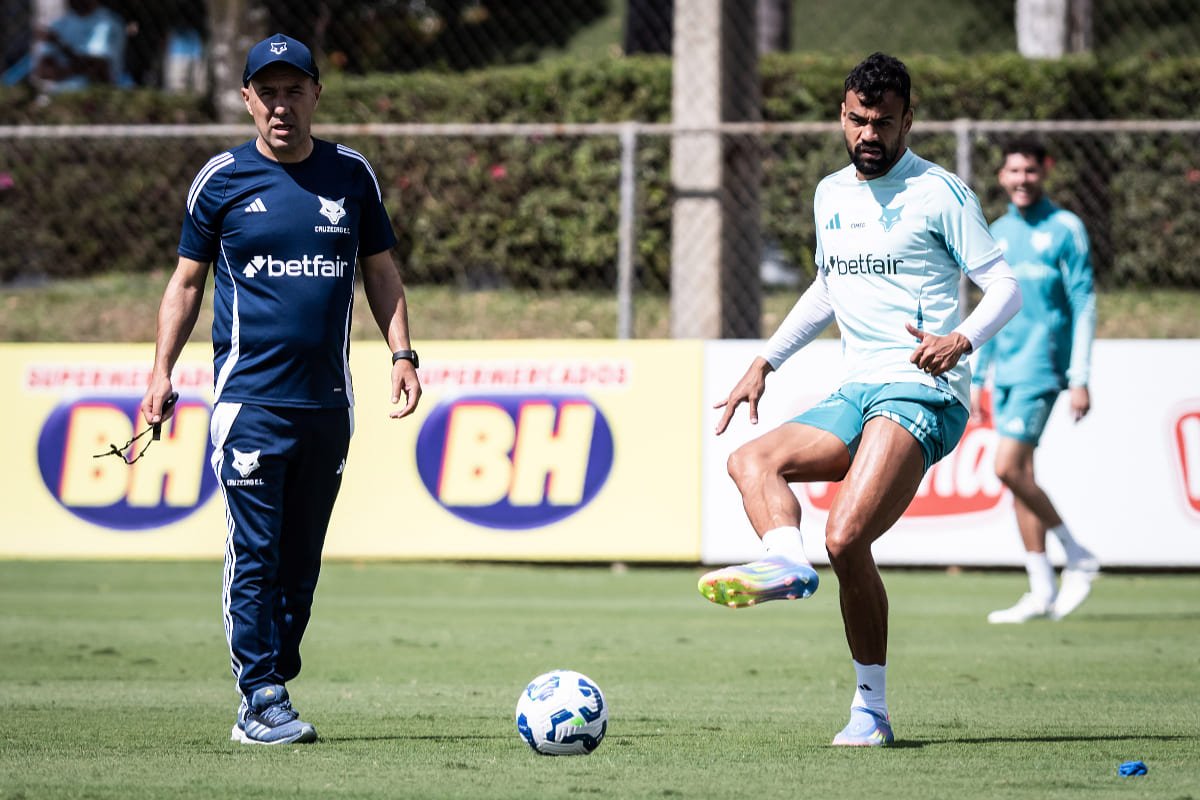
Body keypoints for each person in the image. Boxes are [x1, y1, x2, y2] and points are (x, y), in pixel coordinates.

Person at [698, 52, 1022, 747]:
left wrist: (960, 340)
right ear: (841, 117)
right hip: (857, 385)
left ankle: (870, 710)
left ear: (907, 119)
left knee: (845, 537)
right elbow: (827, 288)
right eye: (855, 120)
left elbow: (1005, 288)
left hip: (923, 389)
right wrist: (764, 362)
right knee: (751, 462)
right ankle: (786, 562)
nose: (867, 134)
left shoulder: (942, 194)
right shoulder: (829, 194)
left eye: (881, 122)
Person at [140, 33, 421, 746]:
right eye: (267, 92)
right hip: (249, 406)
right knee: (258, 553)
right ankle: (259, 695)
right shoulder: (222, 180)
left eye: (294, 89)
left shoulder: (351, 176)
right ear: (246, 100)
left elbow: (381, 272)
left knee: (301, 563)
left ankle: (274, 672)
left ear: (316, 95)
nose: (281, 104)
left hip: (328, 405)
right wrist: (159, 372)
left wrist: (403, 353)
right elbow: (185, 283)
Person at [974, 137, 1099, 624]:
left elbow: (1084, 303)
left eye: (1030, 170)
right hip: (1004, 371)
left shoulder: (1066, 228)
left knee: (1007, 469)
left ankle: (1078, 555)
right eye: (1013, 172)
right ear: (1002, 178)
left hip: (1042, 371)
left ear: (1043, 172)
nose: (1022, 179)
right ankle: (1042, 588)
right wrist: (980, 375)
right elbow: (987, 307)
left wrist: (1080, 375)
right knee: (1021, 478)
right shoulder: (997, 232)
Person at [31, 0, 127, 91]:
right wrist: (74, 69)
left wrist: (59, 44)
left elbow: (98, 70)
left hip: (97, 96)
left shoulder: (108, 22)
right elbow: (42, 71)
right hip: (59, 98)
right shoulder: (59, 24)